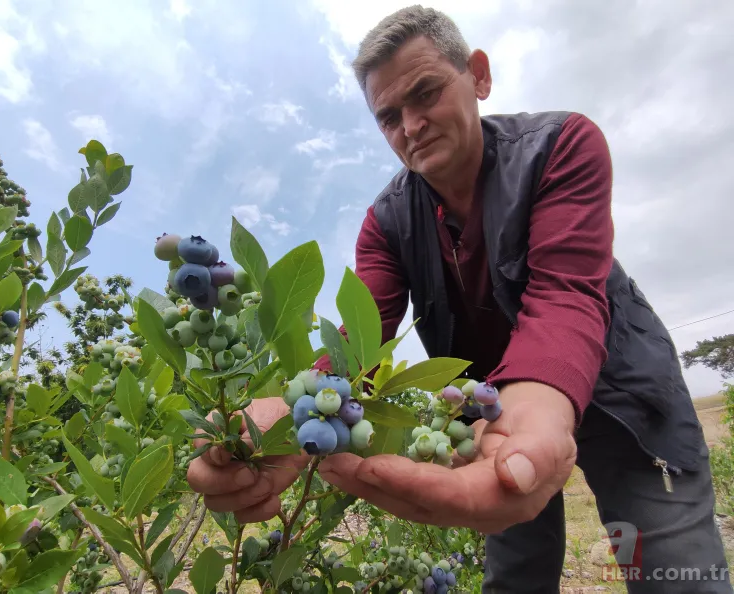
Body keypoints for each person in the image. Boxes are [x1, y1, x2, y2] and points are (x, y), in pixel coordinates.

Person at [188, 5, 732, 592]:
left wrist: (537, 407)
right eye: (389, 117)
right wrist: (290, 414)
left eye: (425, 93)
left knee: (673, 569)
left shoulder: (561, 146)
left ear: (478, 76)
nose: (411, 125)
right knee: (514, 576)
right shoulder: (387, 223)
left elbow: (565, 292)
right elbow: (362, 335)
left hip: (624, 396)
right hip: (495, 423)